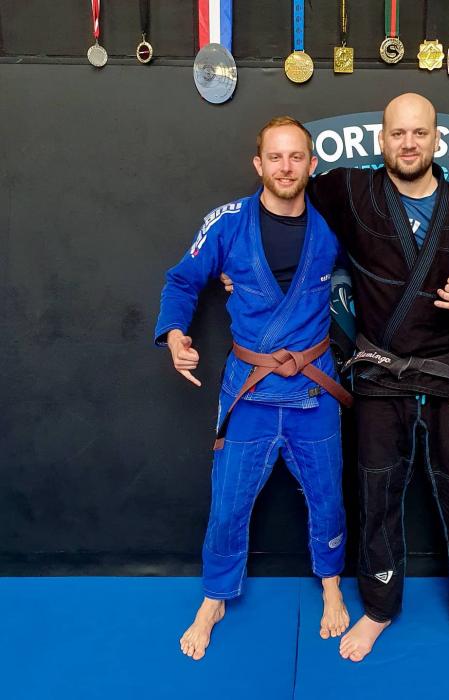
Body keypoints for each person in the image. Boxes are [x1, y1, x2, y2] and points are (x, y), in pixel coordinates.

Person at [226, 94, 449, 666]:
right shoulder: (350, 191)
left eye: (419, 133)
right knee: (376, 495)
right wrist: (240, 266)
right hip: (380, 371)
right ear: (382, 139)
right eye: (398, 133)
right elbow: (281, 199)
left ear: (436, 139)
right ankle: (379, 608)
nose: (408, 143)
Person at [154, 117, 353, 661]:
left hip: (314, 389)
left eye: (296, 157)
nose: (286, 168)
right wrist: (175, 334)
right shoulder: (227, 224)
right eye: (275, 157)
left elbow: (374, 273)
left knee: (329, 497)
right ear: (258, 164)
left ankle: (331, 584)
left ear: (311, 164)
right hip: (250, 391)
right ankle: (215, 596)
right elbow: (181, 280)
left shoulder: (332, 225)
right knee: (227, 503)